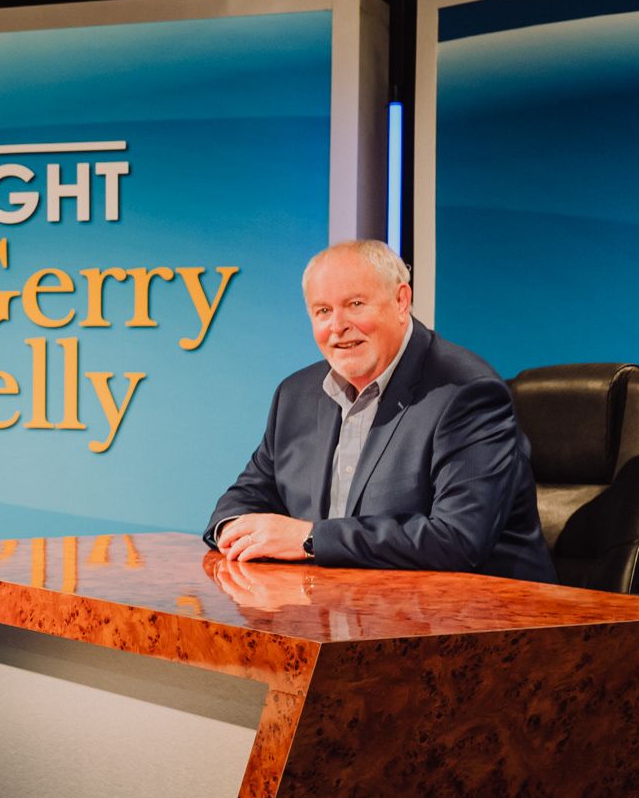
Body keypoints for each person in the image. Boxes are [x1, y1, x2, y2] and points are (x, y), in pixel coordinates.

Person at [208, 239, 553, 581]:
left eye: (355, 304)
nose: (337, 326)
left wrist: (310, 539)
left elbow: (457, 539)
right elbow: (245, 496)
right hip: (346, 612)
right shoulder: (295, 395)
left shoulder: (466, 393)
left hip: (485, 621)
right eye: (323, 311)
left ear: (401, 301)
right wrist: (233, 530)